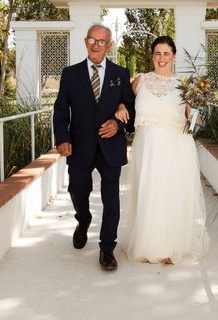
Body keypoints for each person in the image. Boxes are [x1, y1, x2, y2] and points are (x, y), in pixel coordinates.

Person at [115, 36, 209, 264]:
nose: (162, 58)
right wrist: (119, 107)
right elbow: (122, 100)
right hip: (146, 148)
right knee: (148, 192)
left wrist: (197, 112)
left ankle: (171, 248)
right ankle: (148, 246)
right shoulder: (141, 81)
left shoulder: (185, 85)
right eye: (158, 53)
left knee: (171, 194)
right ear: (152, 56)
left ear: (174, 56)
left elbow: (194, 119)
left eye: (166, 54)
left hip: (176, 148)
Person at [53, 24, 135, 271]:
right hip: (79, 146)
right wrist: (62, 138)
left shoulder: (121, 73)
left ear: (110, 45)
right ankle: (83, 219)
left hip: (111, 147)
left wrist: (118, 126)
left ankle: (107, 248)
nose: (97, 45)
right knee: (78, 191)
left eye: (102, 41)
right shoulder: (70, 74)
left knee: (112, 201)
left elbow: (132, 109)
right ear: (85, 41)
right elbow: (60, 109)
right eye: (92, 40)